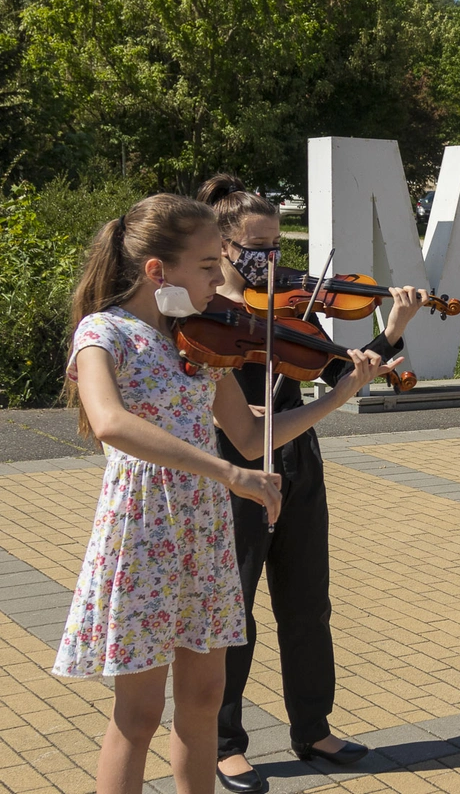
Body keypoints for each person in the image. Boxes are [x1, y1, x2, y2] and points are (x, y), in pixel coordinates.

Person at [55, 195, 393, 794]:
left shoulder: (194, 339)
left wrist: (337, 397)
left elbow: (252, 436)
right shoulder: (104, 332)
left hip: (203, 531)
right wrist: (231, 475)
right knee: (139, 713)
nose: (221, 279)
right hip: (145, 530)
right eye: (209, 265)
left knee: (205, 698)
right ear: (158, 271)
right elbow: (110, 422)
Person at [196, 175, 430, 793]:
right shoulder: (203, 311)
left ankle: (313, 728)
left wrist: (393, 328)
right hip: (235, 467)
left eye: (278, 246)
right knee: (234, 610)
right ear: (223, 245)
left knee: (307, 604)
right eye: (259, 247)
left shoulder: (289, 305)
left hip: (298, 460)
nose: (274, 259)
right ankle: (224, 743)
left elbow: (334, 371)